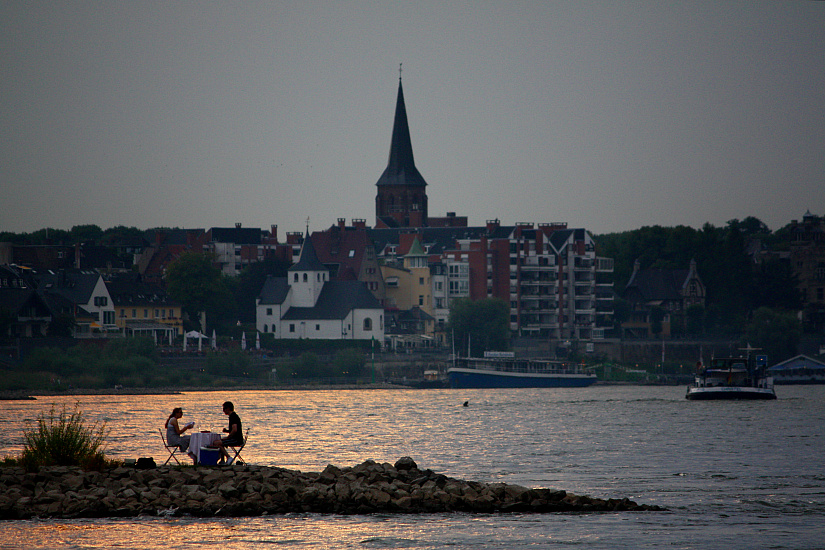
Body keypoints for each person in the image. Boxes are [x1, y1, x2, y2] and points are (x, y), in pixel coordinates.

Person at [216, 401, 243, 465]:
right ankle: (222, 461)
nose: (223, 411)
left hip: (236, 440)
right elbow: (234, 429)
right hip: (236, 438)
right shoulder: (233, 416)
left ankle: (228, 458)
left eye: (224, 409)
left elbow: (234, 430)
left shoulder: (233, 417)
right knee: (219, 442)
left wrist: (228, 437)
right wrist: (227, 431)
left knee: (217, 443)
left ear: (228, 408)